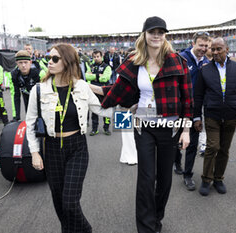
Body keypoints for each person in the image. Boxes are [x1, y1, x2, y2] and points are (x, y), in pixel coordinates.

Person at [90, 16, 193, 233]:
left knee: (164, 180)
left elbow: (188, 100)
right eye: (152, 31)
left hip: (171, 127)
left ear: (165, 36)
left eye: (161, 32)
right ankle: (146, 228)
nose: (156, 35)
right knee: (146, 178)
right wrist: (88, 87)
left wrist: (186, 130)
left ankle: (156, 217)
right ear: (144, 34)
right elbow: (116, 91)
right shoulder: (133, 61)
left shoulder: (178, 62)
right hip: (142, 125)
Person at [26, 43, 112, 233]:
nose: (50, 62)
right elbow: (30, 124)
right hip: (52, 147)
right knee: (58, 200)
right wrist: (34, 153)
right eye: (49, 57)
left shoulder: (81, 86)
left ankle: (86, 229)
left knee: (70, 201)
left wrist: (132, 113)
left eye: (55, 59)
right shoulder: (38, 90)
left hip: (77, 147)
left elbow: (100, 110)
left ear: (68, 62)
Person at [193, 37, 236, 197]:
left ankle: (218, 178)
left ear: (227, 49)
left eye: (219, 49)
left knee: (224, 149)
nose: (215, 52)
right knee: (213, 147)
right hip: (212, 115)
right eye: (213, 49)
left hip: (231, 116)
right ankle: (206, 179)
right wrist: (196, 117)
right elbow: (198, 96)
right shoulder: (204, 70)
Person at [175, 31, 210, 191]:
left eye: (206, 45)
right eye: (201, 45)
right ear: (193, 43)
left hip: (195, 109)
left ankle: (187, 175)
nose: (203, 48)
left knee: (192, 143)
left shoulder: (207, 62)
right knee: (175, 139)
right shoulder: (181, 58)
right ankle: (176, 161)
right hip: (177, 106)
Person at [8, 50, 41, 121]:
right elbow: (15, 95)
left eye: (26, 62)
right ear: (17, 63)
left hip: (40, 96)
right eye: (20, 63)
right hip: (26, 93)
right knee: (29, 115)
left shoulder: (39, 73)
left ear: (30, 62)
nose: (23, 65)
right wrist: (16, 116)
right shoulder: (14, 75)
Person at [86, 50, 112, 135]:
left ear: (102, 57)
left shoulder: (107, 67)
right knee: (94, 111)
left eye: (98, 56)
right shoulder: (91, 66)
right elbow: (87, 76)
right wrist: (98, 76)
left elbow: (105, 78)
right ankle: (94, 129)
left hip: (104, 91)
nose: (96, 58)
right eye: (94, 57)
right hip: (93, 92)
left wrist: (93, 76)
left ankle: (106, 128)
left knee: (106, 110)